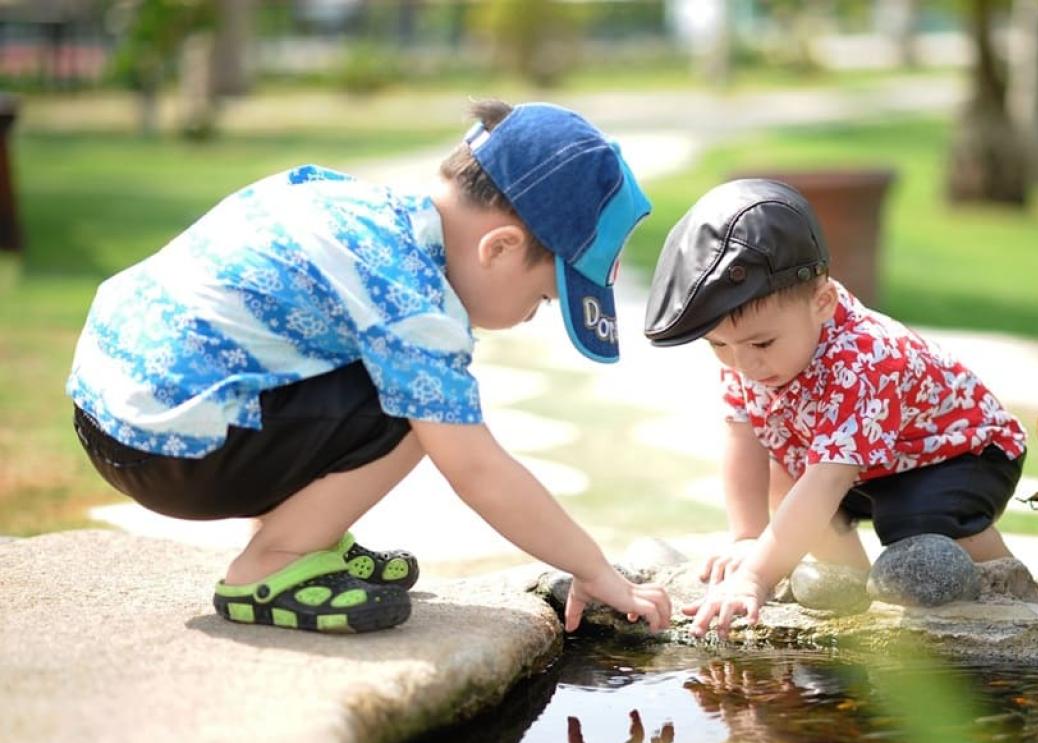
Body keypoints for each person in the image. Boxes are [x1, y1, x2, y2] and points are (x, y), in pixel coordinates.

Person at [67, 99, 672, 635]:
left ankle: (310, 538)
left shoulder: (355, 205)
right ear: (501, 248)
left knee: (393, 378)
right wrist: (593, 568)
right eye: (542, 300)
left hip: (113, 411)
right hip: (170, 451)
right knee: (424, 409)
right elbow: (477, 470)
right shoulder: (411, 297)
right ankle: (272, 564)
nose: (529, 317)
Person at [643, 179, 1026, 638]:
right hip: (867, 463)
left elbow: (828, 479)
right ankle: (851, 594)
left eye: (761, 342)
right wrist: (748, 536)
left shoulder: (864, 359)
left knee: (914, 521)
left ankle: (1009, 590)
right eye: (719, 345)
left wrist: (755, 577)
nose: (744, 363)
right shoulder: (750, 352)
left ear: (822, 302)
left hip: (961, 455)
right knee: (787, 476)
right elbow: (742, 436)